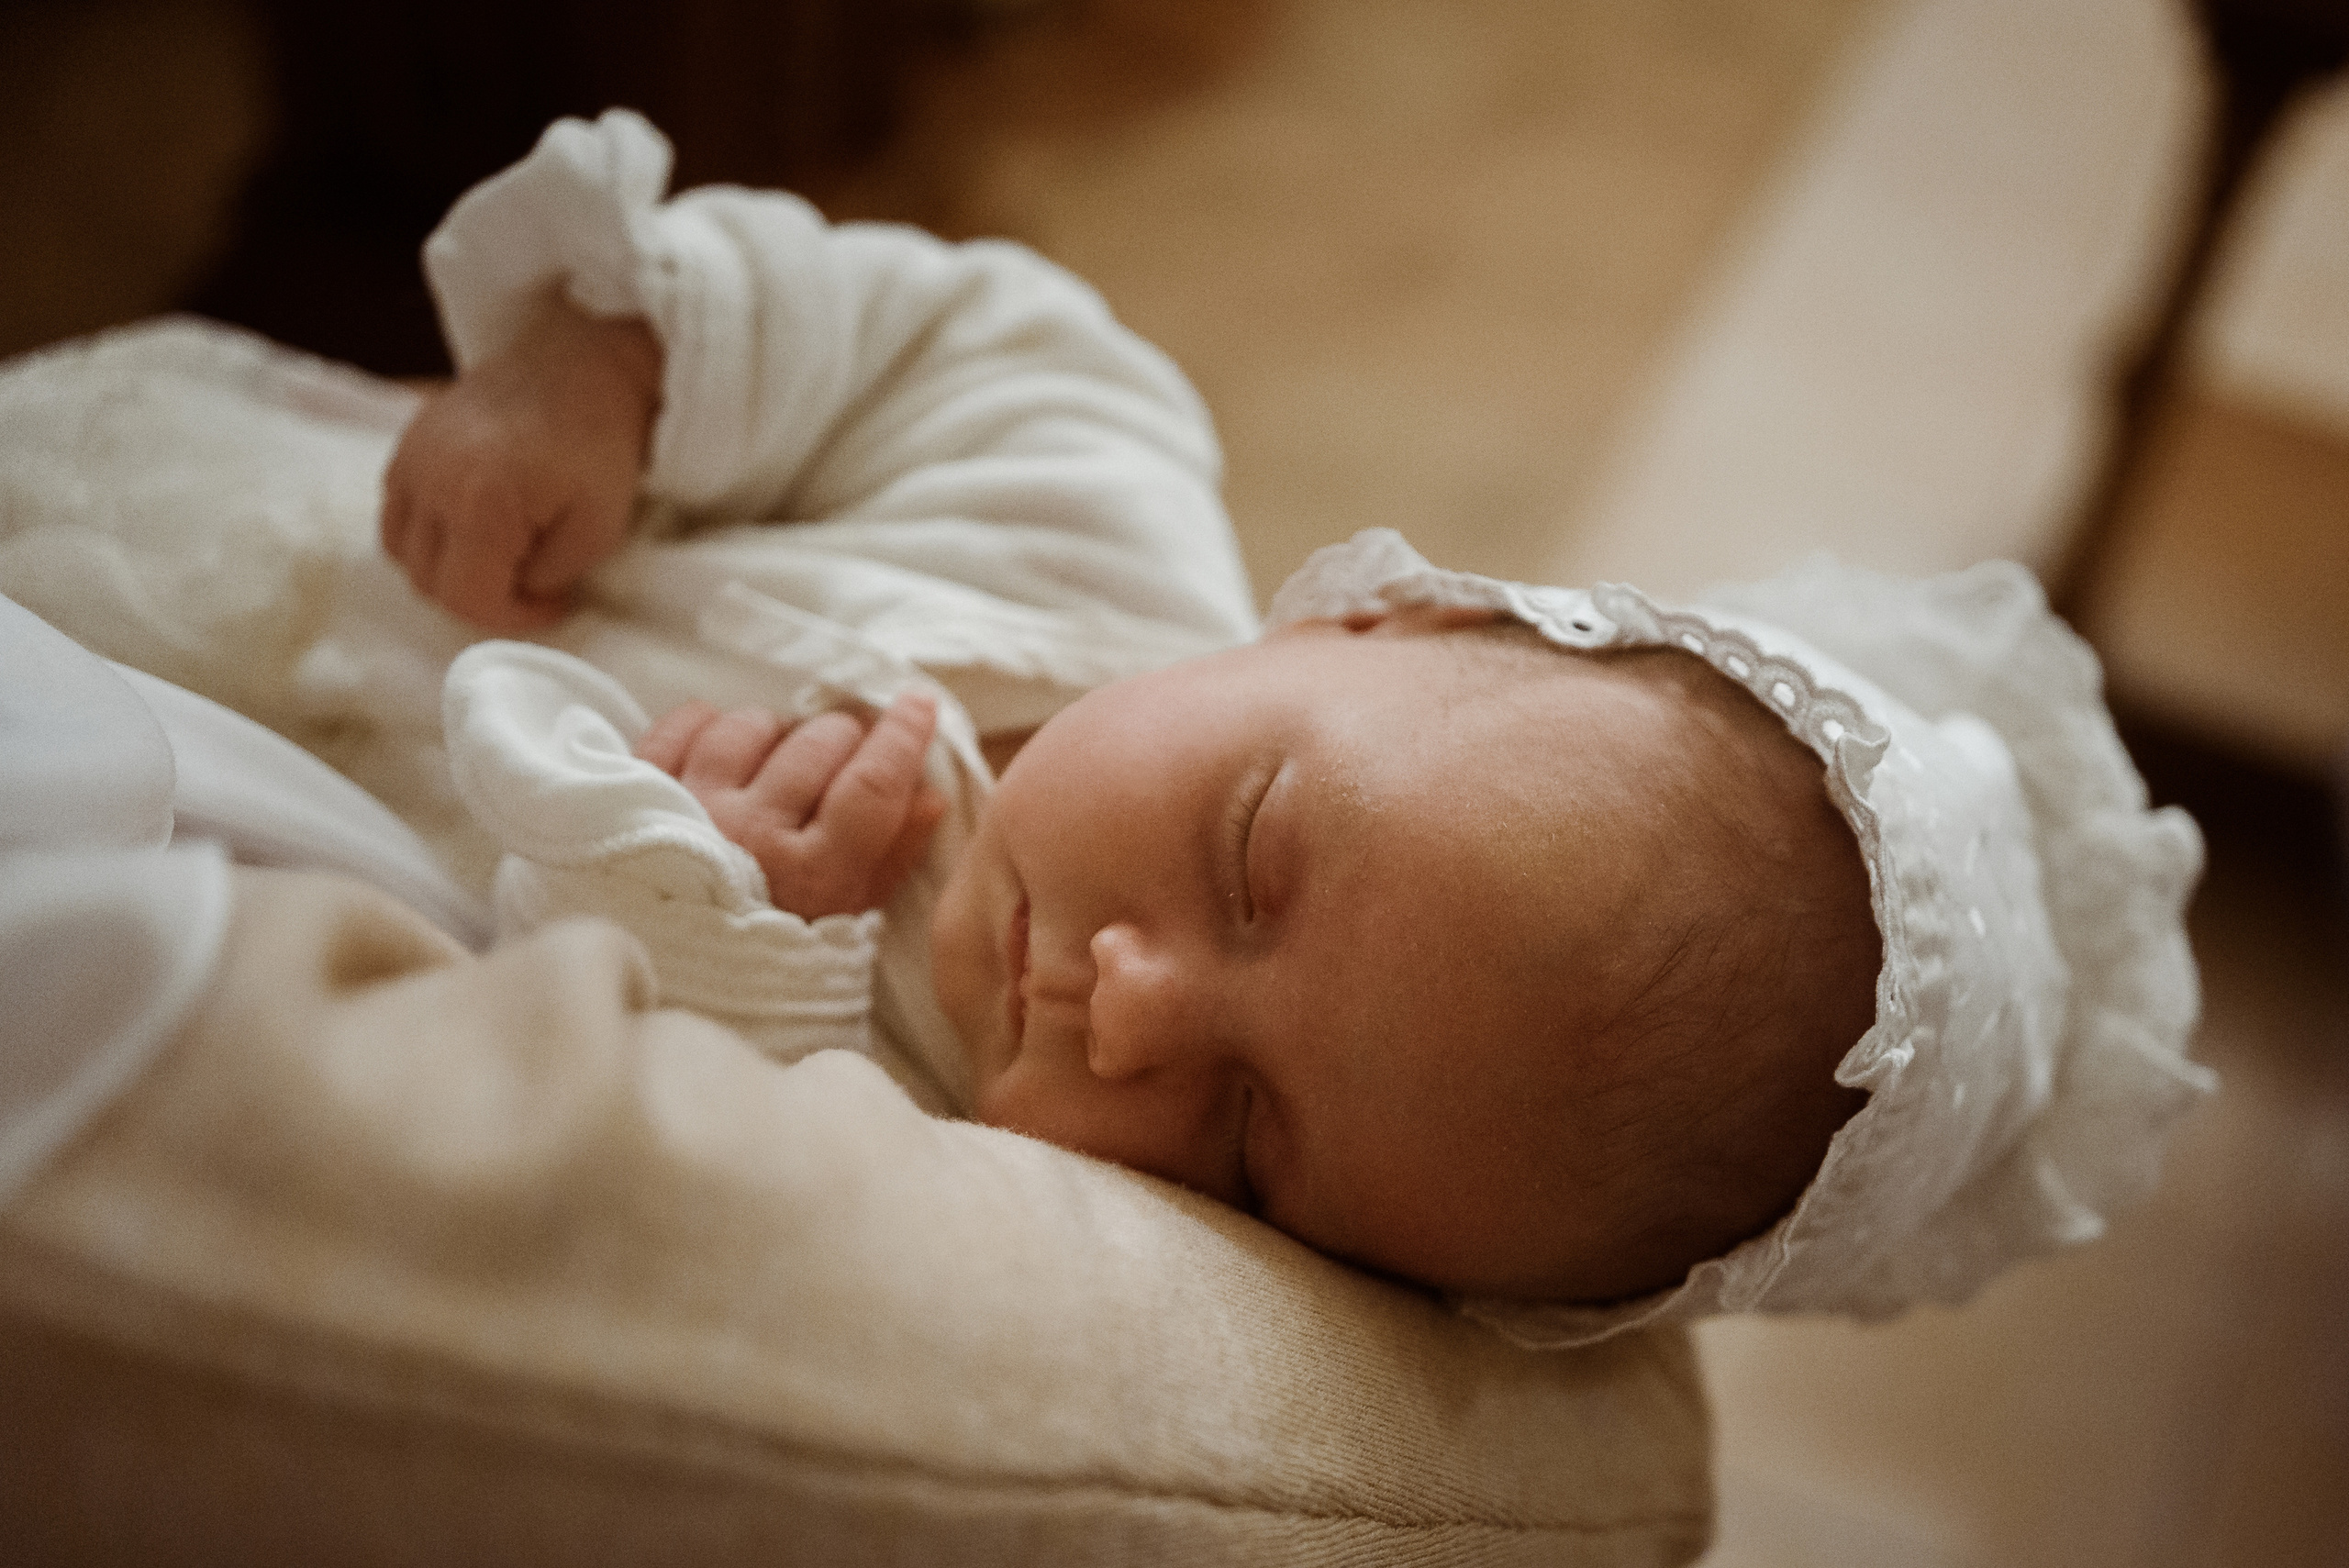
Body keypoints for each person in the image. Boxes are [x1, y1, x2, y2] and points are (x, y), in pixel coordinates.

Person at [385, 110, 2210, 1345]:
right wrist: (601, 370)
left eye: (1251, 1144)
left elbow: (623, 1208)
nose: (1132, 1003)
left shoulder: (923, 1158)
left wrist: (697, 938)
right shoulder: (1082, 485)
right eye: (1252, 856)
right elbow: (905, 327)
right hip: (305, 494)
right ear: (1376, 612)